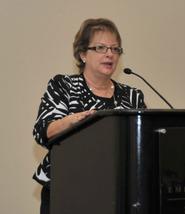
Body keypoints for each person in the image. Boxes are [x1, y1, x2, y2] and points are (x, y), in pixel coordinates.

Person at [32, 18, 146, 214]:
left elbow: (143, 141)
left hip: (120, 193)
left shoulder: (132, 96)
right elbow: (43, 131)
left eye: (115, 49)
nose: (110, 54)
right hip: (69, 190)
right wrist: (75, 121)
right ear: (83, 53)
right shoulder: (64, 86)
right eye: (101, 47)